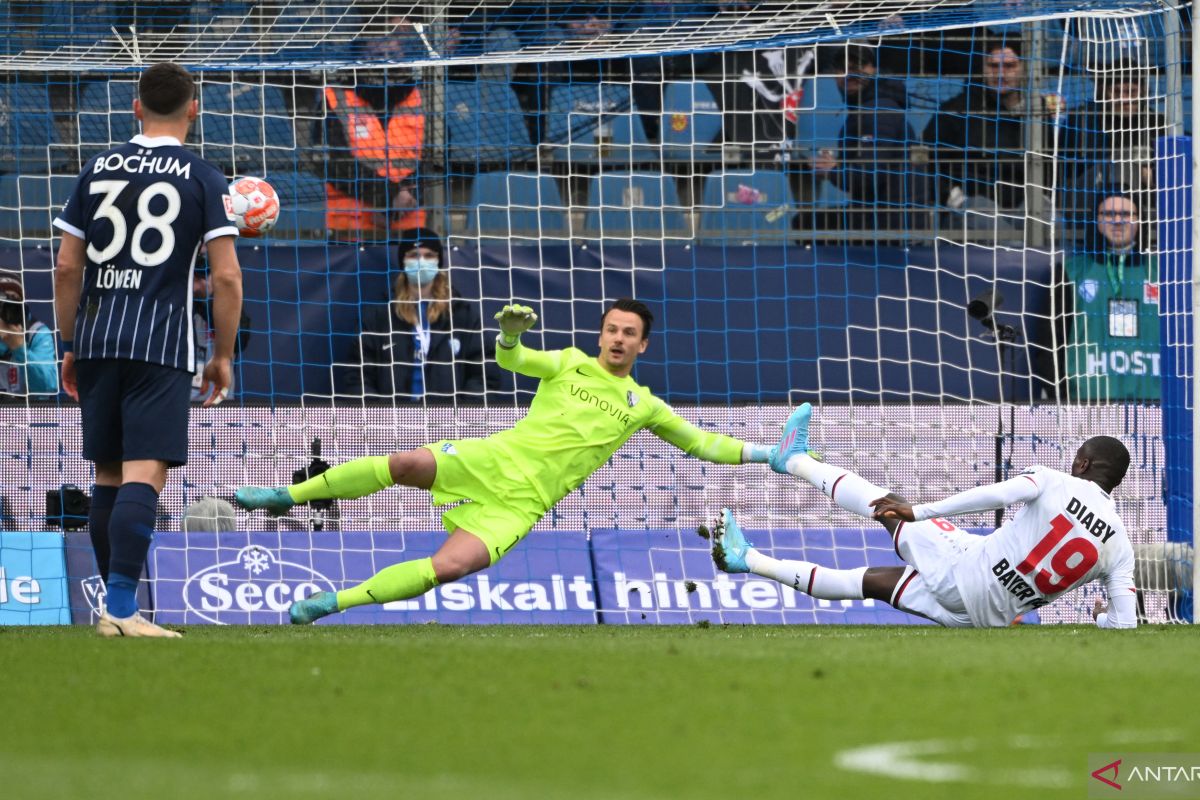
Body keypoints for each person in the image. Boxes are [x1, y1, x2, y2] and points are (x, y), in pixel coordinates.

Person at [236, 298, 776, 624]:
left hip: (522, 502)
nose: (617, 338)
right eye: (612, 329)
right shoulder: (568, 363)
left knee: (449, 568)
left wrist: (766, 454)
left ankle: (330, 604)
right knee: (403, 462)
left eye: (628, 333)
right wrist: (511, 334)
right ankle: (285, 496)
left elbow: (704, 444)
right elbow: (513, 358)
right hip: (490, 459)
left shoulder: (645, 405)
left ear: (643, 346)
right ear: (601, 334)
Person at [53, 61, 244, 637]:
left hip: (97, 336)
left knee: (108, 475)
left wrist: (68, 342)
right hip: (161, 341)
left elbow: (66, 267)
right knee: (145, 471)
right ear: (194, 110)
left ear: (135, 107)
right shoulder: (205, 178)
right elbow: (228, 278)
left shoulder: (96, 170)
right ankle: (122, 609)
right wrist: (224, 354)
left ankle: (112, 612)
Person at [711, 403, 1137, 628]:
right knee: (871, 582)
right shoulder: (1120, 545)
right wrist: (1100, 616)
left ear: (1081, 464)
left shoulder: (1053, 480)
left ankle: (793, 460)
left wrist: (922, 511)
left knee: (889, 505)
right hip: (983, 618)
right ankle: (745, 560)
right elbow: (1125, 624)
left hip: (964, 572)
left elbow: (991, 495)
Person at [338, 228, 499, 402]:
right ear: (403, 261)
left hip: (448, 424)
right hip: (392, 424)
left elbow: (485, 373)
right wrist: (380, 418)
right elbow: (357, 375)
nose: (421, 261)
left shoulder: (462, 315)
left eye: (429, 255)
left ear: (438, 261)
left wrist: (460, 414)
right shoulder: (378, 318)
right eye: (413, 255)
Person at [924, 36, 1058, 232]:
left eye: (1010, 66)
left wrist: (1045, 195)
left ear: (1024, 69)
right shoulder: (956, 110)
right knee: (1001, 233)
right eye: (994, 66)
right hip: (973, 203)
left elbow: (1051, 161)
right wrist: (952, 196)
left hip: (1025, 202)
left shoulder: (1038, 110)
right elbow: (929, 161)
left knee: (1055, 225)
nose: (1001, 74)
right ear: (983, 69)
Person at [321, 15, 424, 240]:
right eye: (378, 57)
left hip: (408, 232)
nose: (386, 64)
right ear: (361, 57)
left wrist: (401, 203)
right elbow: (332, 164)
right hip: (349, 230)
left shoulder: (419, 98)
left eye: (393, 56)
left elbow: (435, 158)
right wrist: (387, 199)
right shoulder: (335, 98)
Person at [808, 45, 925, 235]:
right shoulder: (868, 107)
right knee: (810, 221)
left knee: (807, 223)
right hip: (881, 218)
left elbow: (869, 175)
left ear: (875, 69)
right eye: (842, 67)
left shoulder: (878, 111)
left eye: (858, 65)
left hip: (891, 225)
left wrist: (831, 170)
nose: (849, 73)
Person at [1060, 189, 1159, 402]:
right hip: (1090, 401)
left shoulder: (1163, 273)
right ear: (1096, 221)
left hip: (1154, 400)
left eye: (1126, 215)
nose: (1117, 221)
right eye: (1108, 214)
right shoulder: (1072, 271)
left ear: (1139, 220)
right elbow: (1054, 338)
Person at [190, 264, 252, 403]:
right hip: (185, 401)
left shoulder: (230, 310)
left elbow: (239, 342)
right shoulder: (182, 306)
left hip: (220, 403)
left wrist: (210, 296)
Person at [0, 271, 58, 397]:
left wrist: (20, 348)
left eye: (14, 300)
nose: (8, 309)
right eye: (3, 302)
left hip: (29, 413)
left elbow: (48, 387)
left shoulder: (37, 333)